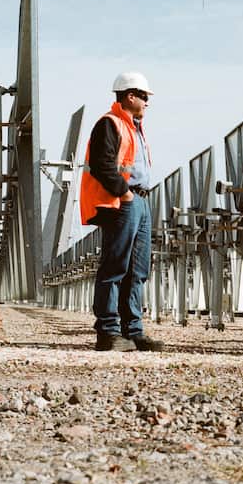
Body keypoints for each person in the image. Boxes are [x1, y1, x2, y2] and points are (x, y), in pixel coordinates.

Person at [78, 72, 163, 352]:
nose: (148, 103)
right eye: (145, 97)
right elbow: (103, 166)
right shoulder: (110, 123)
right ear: (131, 96)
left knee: (137, 270)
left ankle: (133, 330)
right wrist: (124, 194)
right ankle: (108, 331)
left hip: (139, 201)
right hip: (122, 201)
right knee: (115, 266)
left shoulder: (133, 127)